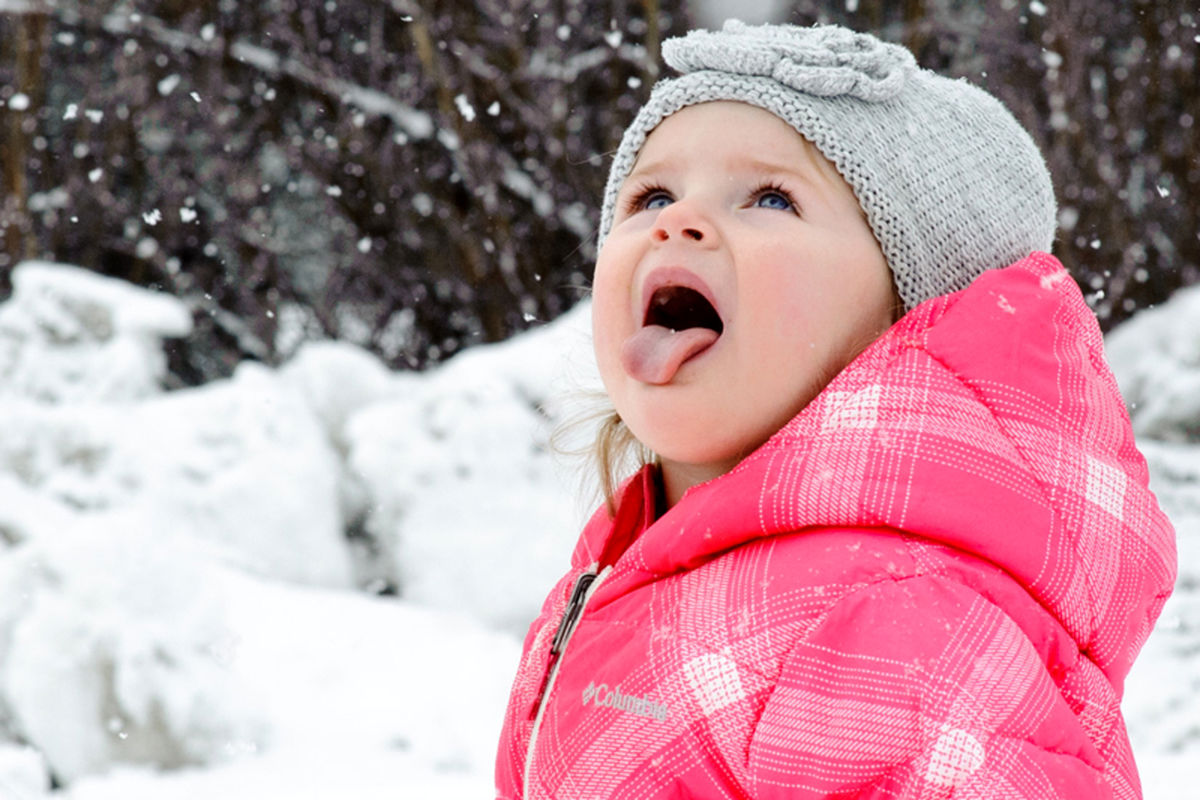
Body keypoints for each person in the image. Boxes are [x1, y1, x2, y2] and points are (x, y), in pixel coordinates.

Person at [494, 20, 1176, 800]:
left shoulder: (893, 628)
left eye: (772, 198)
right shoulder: (629, 567)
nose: (676, 222)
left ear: (908, 319)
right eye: (652, 193)